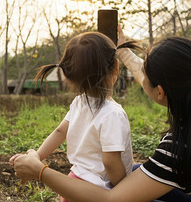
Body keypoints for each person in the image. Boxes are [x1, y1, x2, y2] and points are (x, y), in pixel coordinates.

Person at [13, 27, 191, 202]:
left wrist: (41, 171)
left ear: (160, 92)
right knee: (136, 173)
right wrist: (124, 53)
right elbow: (148, 75)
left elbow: (110, 200)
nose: (140, 76)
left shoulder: (177, 150)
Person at [10, 32, 136, 201]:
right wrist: (125, 189)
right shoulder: (113, 114)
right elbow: (110, 162)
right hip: (96, 191)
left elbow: (59, 132)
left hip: (72, 185)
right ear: (116, 67)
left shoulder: (79, 102)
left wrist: (37, 156)